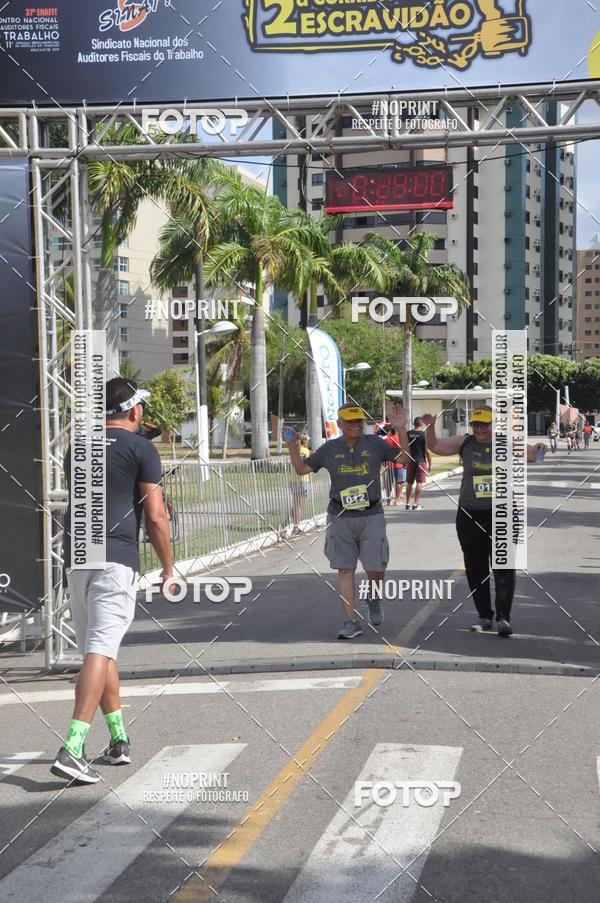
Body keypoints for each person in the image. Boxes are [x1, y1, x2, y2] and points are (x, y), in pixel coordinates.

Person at [52, 378, 175, 784]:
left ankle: (119, 740)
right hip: (116, 559)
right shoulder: (142, 448)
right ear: (134, 410)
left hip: (78, 559)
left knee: (99, 651)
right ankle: (72, 747)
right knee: (100, 650)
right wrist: (168, 567)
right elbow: (156, 516)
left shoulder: (77, 448)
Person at [285, 403, 409, 639]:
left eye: (359, 421)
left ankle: (373, 597)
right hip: (340, 515)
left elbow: (405, 458)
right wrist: (293, 447)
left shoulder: (375, 444)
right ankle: (351, 621)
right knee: (345, 569)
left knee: (376, 568)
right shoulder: (329, 449)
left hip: (371, 515)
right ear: (339, 424)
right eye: (350, 421)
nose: (355, 425)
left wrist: (401, 428)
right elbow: (302, 469)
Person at [421, 406, 545, 638]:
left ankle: (503, 618)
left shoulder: (505, 443)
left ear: (492, 425)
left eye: (484, 425)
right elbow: (435, 446)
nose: (479, 429)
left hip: (502, 514)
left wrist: (540, 447)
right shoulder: (465, 443)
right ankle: (485, 615)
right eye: (476, 425)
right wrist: (429, 427)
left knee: (503, 567)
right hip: (470, 514)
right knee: (476, 568)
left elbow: (533, 454)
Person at [405, 417, 432, 511]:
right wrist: (430, 464)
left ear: (414, 424)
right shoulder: (424, 435)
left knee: (409, 483)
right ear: (422, 424)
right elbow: (427, 451)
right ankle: (415, 504)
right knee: (419, 482)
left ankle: (407, 504)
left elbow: (404, 449)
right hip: (420, 460)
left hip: (410, 461)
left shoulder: (408, 434)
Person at [290, 434, 310, 534]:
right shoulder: (305, 451)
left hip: (293, 479)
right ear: (305, 441)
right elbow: (309, 463)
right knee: (299, 506)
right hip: (303, 479)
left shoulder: (294, 451)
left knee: (295, 505)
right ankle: (296, 528)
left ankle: (285, 525)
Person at [384, 426, 406, 505]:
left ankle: (388, 500)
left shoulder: (386, 440)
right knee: (399, 482)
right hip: (399, 463)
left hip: (389, 463)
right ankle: (397, 500)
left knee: (389, 482)